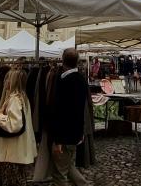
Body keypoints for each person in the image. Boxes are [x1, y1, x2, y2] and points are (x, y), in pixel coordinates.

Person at [0, 68, 37, 186]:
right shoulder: (21, 97)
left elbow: (15, 125)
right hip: (14, 152)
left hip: (12, 153)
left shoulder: (15, 100)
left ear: (13, 82)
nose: (5, 81)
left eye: (7, 79)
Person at [50, 48, 89, 186]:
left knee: (59, 173)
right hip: (75, 133)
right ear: (77, 61)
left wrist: (58, 139)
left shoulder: (63, 81)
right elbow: (80, 109)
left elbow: (60, 112)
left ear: (62, 61)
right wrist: (81, 131)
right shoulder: (82, 80)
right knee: (68, 166)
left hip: (64, 135)